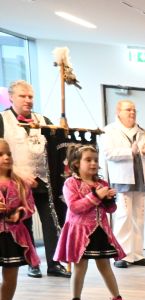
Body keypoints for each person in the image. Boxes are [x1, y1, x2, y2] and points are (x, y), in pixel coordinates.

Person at [0, 80, 69, 279]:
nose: (27, 100)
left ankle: (54, 263)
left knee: (51, 221)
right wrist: (18, 173)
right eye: (22, 96)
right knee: (25, 222)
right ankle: (32, 263)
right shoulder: (2, 119)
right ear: (11, 97)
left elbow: (57, 145)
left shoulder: (43, 119)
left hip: (44, 179)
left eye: (30, 96)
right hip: (17, 180)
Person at [55, 145, 128, 300]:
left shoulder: (102, 184)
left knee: (105, 266)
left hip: (100, 231)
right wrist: (96, 196)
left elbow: (110, 210)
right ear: (76, 163)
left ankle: (117, 298)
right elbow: (75, 207)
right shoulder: (71, 183)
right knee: (80, 267)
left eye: (95, 160)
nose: (93, 163)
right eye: (88, 160)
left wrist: (110, 200)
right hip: (80, 234)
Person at [103, 100, 145, 268]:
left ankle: (137, 254)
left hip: (141, 180)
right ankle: (122, 255)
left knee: (139, 217)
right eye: (128, 110)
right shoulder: (109, 130)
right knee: (123, 217)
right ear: (118, 112)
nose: (132, 112)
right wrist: (130, 152)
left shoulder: (143, 132)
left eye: (134, 110)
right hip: (122, 180)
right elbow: (108, 153)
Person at [0, 139, 37, 300]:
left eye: (8, 154)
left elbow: (30, 206)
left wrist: (18, 213)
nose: (6, 157)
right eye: (1, 155)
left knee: (11, 272)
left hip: (13, 236)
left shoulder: (20, 183)